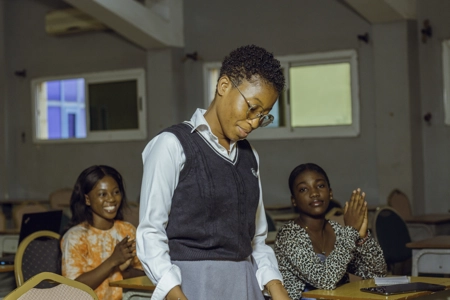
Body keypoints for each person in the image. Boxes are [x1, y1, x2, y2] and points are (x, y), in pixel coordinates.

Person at [136, 45, 291, 300]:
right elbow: (151, 233)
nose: (254, 122)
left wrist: (277, 289)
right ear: (223, 86)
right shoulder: (171, 145)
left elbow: (257, 240)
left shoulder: (250, 157)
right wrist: (176, 295)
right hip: (191, 285)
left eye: (263, 116)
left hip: (245, 283)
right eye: (252, 108)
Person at [275, 163, 387, 300]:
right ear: (294, 201)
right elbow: (325, 281)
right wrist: (351, 231)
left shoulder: (337, 230)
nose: (314, 193)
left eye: (320, 186)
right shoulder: (289, 236)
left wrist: (363, 237)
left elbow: (377, 273)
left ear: (330, 193)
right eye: (303, 189)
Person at [61, 165, 145, 300]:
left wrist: (125, 271)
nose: (111, 199)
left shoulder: (127, 230)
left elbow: (142, 276)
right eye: (102, 194)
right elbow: (73, 289)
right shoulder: (76, 237)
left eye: (116, 192)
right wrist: (112, 261)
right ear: (87, 199)